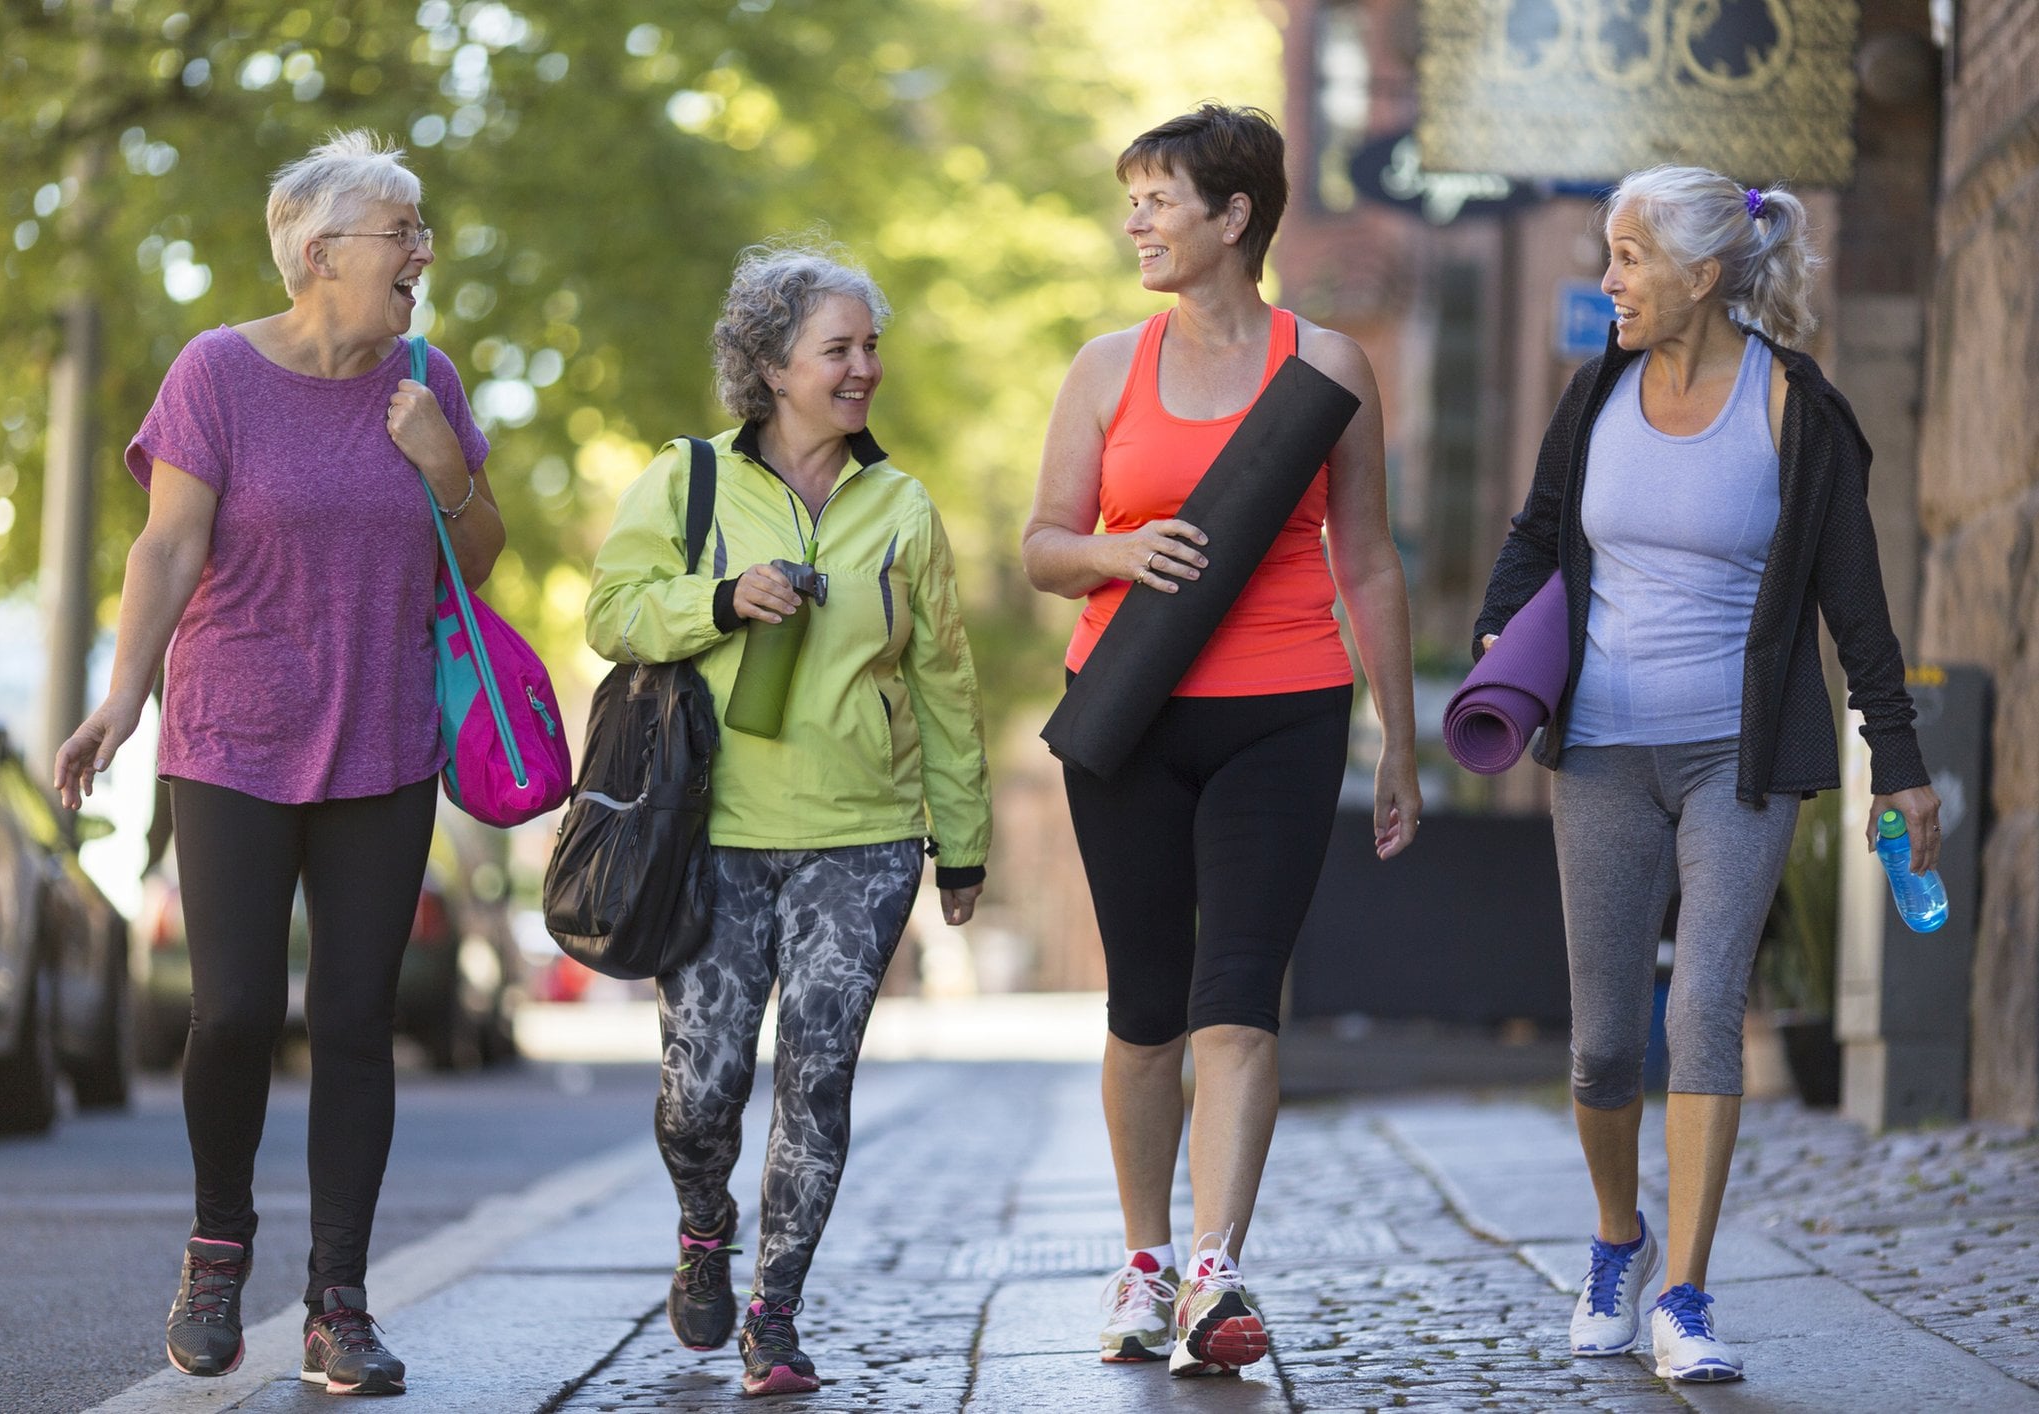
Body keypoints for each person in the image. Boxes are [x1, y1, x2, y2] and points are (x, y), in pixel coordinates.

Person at [1474, 165, 1939, 1383]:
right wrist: (1500, 628)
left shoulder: (1796, 408)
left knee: (1705, 1011)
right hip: (1603, 752)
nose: (1610, 280)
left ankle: (1684, 1289)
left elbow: (1856, 599)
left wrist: (1901, 761)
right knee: (1602, 1044)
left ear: (1704, 273)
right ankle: (1615, 1243)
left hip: (1741, 754)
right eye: (1608, 255)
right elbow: (1535, 532)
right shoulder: (1599, 393)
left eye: (1628, 259)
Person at [54, 130, 501, 1397]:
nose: (422, 253)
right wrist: (119, 700)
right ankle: (215, 1249)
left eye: (423, 230)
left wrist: (444, 464)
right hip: (233, 735)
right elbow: (166, 549)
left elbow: (475, 560)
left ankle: (340, 1306)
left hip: (383, 736)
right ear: (318, 256)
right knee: (237, 1009)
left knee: (356, 1021)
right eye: (398, 233)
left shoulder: (427, 378)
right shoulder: (215, 376)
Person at [1022, 104, 1420, 1376]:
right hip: (1129, 713)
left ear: (1234, 215)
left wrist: (1399, 742)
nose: (1136, 219)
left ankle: (1215, 1271)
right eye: (1131, 197)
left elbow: (1367, 560)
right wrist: (1116, 550)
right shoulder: (1104, 368)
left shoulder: (1330, 366)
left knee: (1238, 994)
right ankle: (1143, 1262)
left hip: (1289, 709)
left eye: (1159, 198)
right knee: (1144, 1006)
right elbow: (1039, 546)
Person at [583, 241, 991, 1398]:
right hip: (712, 832)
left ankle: (775, 1312)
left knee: (819, 1077)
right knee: (701, 1086)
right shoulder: (690, 483)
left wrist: (960, 840)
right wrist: (719, 599)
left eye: (871, 347)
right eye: (838, 349)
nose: (863, 368)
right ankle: (704, 1222)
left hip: (863, 839)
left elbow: (948, 686)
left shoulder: (902, 506)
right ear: (769, 364)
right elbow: (610, 613)